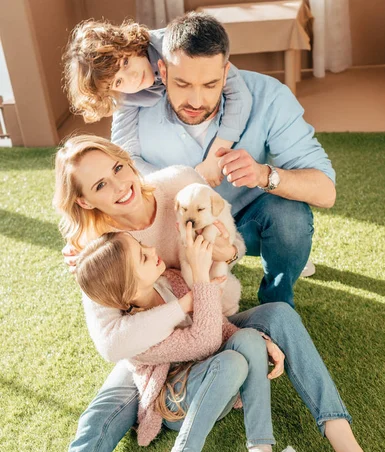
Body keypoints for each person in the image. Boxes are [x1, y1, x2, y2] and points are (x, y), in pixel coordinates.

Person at [1, 135, 385, 452]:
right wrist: (186, 298)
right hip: (158, 350)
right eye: (100, 185)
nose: (119, 186)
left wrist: (219, 255)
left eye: (117, 169)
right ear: (84, 200)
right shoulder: (96, 249)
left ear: (127, 161)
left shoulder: (178, 187)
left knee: (282, 318)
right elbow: (113, 343)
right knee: (99, 419)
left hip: (216, 320)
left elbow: (231, 255)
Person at [109, 11, 336, 306]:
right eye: (182, 84)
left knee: (289, 218)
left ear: (227, 73)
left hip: (249, 220)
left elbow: (326, 192)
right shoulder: (134, 101)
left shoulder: (270, 96)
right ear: (163, 72)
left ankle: (277, 299)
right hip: (179, 228)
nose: (195, 101)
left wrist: (265, 175)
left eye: (210, 84)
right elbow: (120, 174)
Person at [75, 228, 296, 452]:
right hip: (176, 403)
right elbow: (203, 341)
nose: (152, 250)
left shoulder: (171, 281)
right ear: (128, 291)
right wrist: (201, 277)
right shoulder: (136, 336)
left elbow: (217, 326)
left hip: (214, 384)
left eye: (143, 244)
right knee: (232, 363)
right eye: (142, 256)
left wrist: (262, 343)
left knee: (249, 340)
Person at [63, 18, 252, 187]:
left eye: (126, 63)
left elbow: (239, 94)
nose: (133, 78)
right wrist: (175, 182)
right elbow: (124, 152)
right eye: (119, 81)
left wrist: (214, 159)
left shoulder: (171, 46)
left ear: (130, 45)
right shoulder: (126, 93)